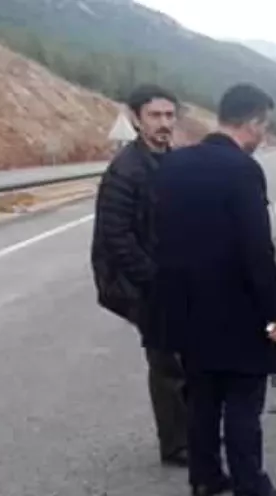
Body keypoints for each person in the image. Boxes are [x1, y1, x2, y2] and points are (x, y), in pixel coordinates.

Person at [147, 83, 276, 496]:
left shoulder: (173, 165)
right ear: (252, 122)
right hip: (236, 311)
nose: (264, 138)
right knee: (241, 399)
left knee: (201, 396)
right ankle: (250, 487)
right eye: (264, 127)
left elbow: (157, 236)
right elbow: (257, 251)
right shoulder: (242, 170)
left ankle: (205, 477)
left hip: (186, 307)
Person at [91, 84, 189, 467]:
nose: (164, 124)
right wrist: (155, 280)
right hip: (142, 284)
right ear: (135, 118)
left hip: (171, 275)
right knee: (166, 362)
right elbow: (116, 238)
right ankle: (176, 445)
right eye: (155, 116)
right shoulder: (125, 171)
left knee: (185, 356)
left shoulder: (173, 161)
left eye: (169, 116)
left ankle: (190, 432)